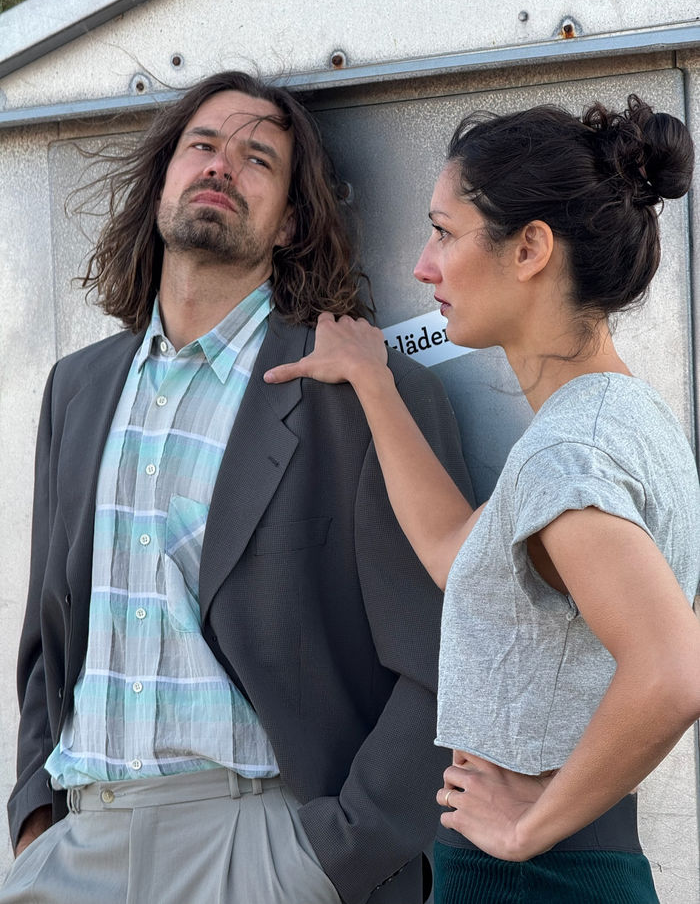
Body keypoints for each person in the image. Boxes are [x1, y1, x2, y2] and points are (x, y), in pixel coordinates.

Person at [2, 70, 470, 904]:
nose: (222, 165)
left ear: (289, 221)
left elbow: (449, 648)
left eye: (259, 159)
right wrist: (37, 820)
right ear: (162, 184)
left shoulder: (361, 392)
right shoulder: (78, 386)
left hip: (260, 851)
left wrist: (338, 855)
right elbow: (49, 640)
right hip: (77, 848)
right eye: (203, 145)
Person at [264, 95, 700, 903]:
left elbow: (675, 668)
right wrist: (373, 380)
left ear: (530, 248)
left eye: (444, 232)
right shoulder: (625, 419)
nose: (423, 266)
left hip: (532, 878)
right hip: (575, 869)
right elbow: (455, 551)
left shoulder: (567, 452)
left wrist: (527, 829)